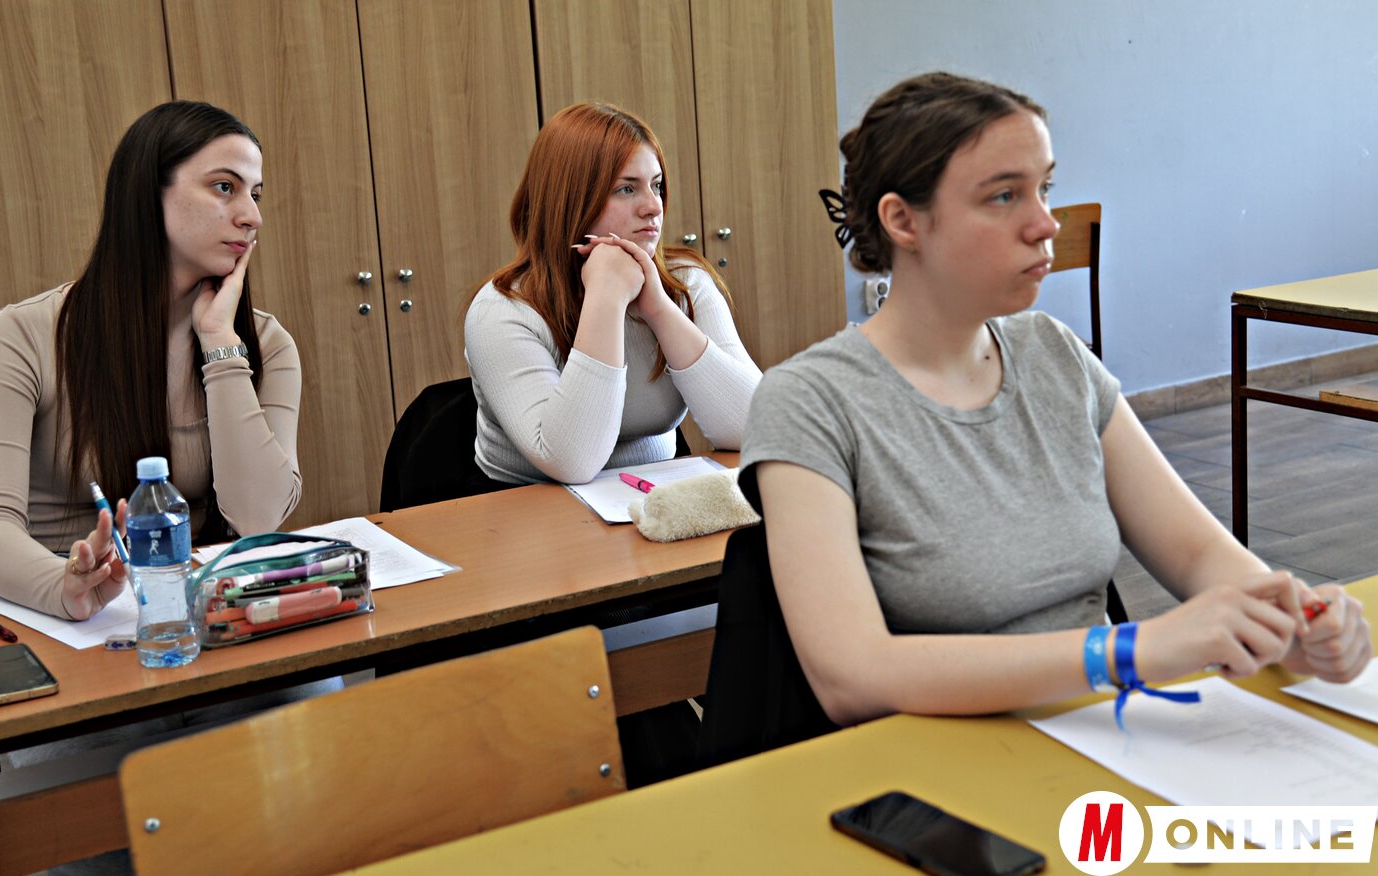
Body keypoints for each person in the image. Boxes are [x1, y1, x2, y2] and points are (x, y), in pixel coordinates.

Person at [741, 72, 1371, 727]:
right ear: (902, 220)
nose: (1045, 223)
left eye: (1044, 188)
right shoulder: (808, 403)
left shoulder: (1053, 353)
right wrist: (1125, 651)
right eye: (1003, 196)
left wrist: (1291, 618)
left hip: (1100, 736)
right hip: (937, 765)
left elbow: (1197, 554)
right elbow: (853, 677)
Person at [0, 100, 301, 622]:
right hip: (56, 613)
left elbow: (258, 518)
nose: (252, 216)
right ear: (147, 195)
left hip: (196, 606)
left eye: (255, 193)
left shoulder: (264, 343)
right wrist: (64, 587)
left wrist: (219, 344)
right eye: (225, 187)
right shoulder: (20, 336)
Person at [465, 102, 761, 487]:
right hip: (526, 504)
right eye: (626, 189)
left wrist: (658, 308)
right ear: (571, 199)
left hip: (650, 494)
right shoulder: (501, 310)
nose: (653, 206)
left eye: (656, 185)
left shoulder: (687, 283)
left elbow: (757, 427)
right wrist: (606, 296)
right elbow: (571, 462)